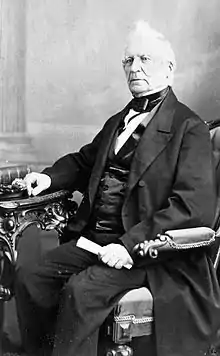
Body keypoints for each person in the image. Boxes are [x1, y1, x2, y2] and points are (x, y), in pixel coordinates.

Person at [15, 20, 220, 356]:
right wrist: (49, 178)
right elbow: (84, 162)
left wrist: (129, 245)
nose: (134, 68)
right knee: (31, 275)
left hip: (151, 254)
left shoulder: (189, 128)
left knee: (81, 293)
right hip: (97, 241)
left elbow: (191, 207)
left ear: (169, 69)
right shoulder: (118, 122)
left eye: (144, 59)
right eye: (128, 60)